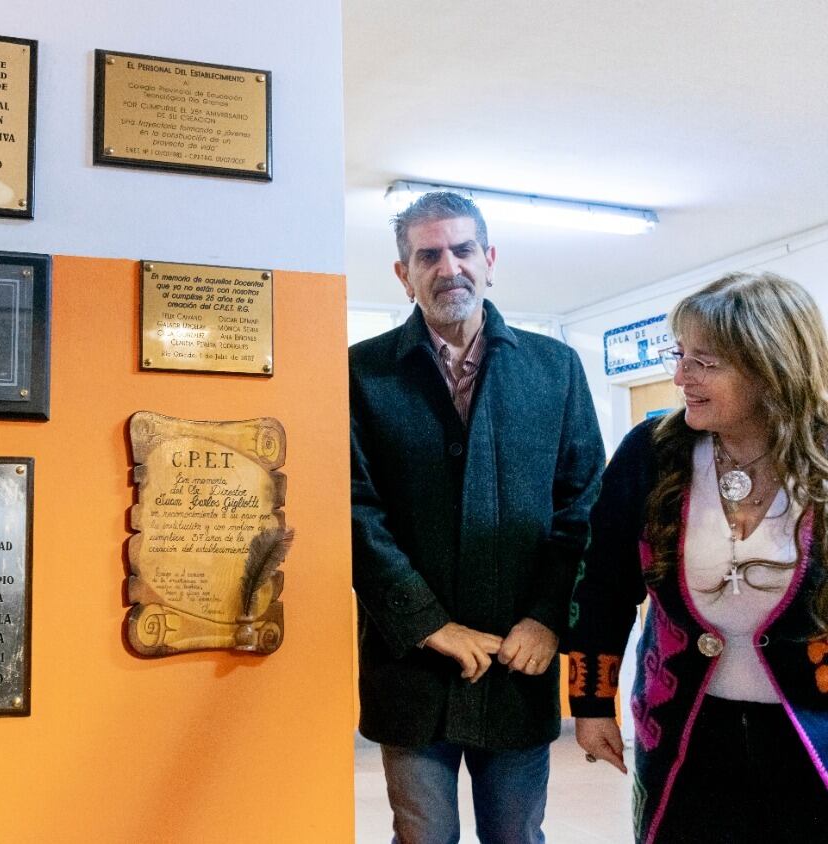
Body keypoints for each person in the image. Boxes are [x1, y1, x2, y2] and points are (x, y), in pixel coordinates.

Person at [350, 191, 604, 842]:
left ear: (489, 259)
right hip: (411, 664)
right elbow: (354, 508)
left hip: (519, 662)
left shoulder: (555, 369)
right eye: (427, 255)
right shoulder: (360, 373)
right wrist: (430, 623)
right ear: (403, 274)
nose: (449, 267)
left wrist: (550, 618)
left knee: (516, 836)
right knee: (423, 835)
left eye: (463, 250)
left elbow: (583, 506)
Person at [570, 272, 828, 843]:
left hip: (814, 738)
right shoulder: (653, 451)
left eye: (705, 362)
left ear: (770, 367)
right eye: (679, 355)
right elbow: (604, 585)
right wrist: (592, 703)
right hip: (687, 729)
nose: (680, 376)